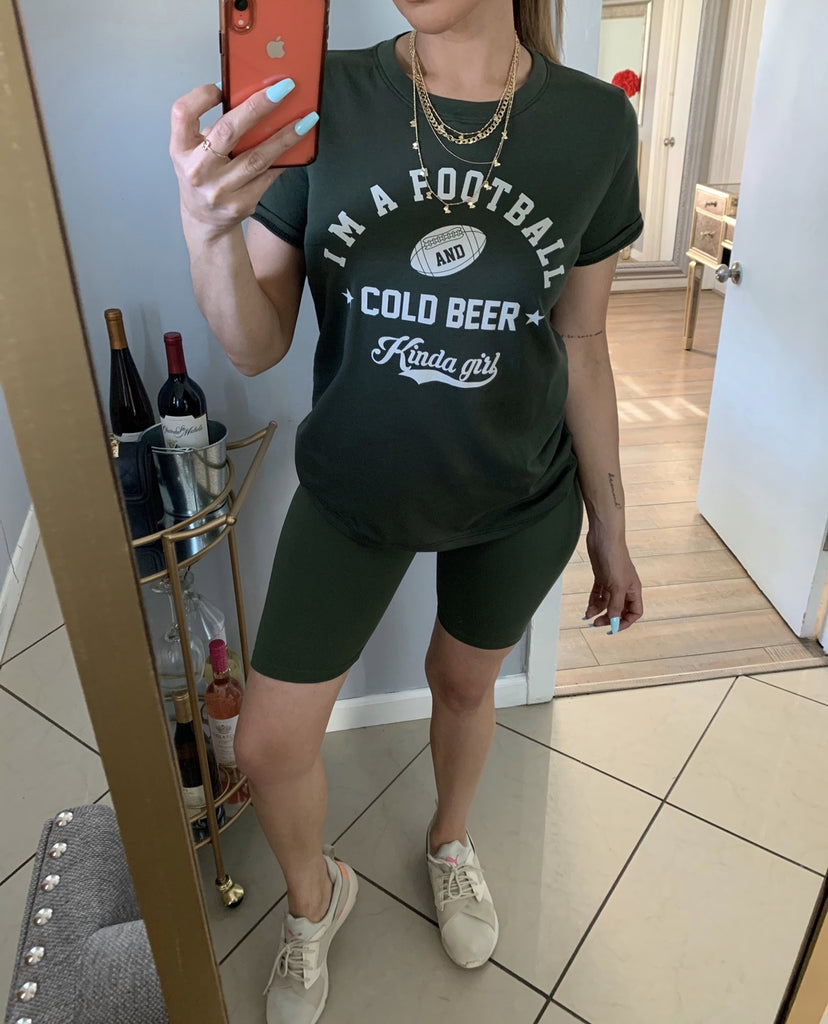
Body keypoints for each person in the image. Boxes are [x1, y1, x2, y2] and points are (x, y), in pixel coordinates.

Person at [170, 0, 644, 1020]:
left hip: (518, 491)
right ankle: (317, 897)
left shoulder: (595, 124)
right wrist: (208, 231)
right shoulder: (320, 94)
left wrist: (612, 526)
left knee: (463, 684)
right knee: (268, 745)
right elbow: (256, 343)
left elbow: (583, 341)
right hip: (354, 489)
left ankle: (449, 840)